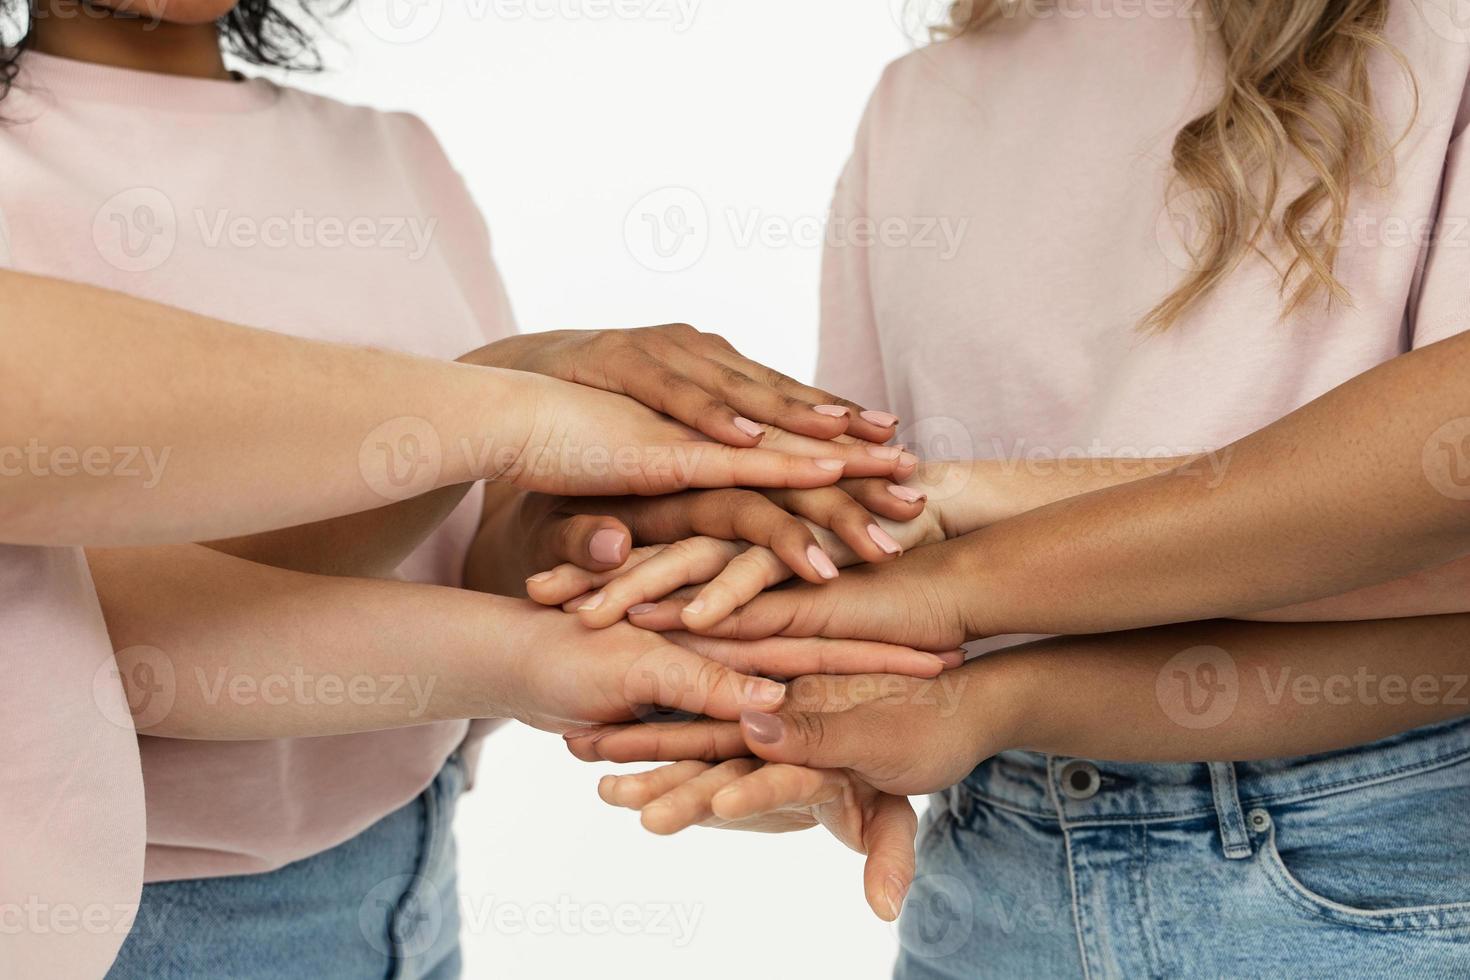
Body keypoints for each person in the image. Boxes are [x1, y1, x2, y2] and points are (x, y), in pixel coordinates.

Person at [0, 2, 935, 976]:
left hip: (414, 876)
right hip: (138, 925)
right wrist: (510, 399)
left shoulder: (394, 154)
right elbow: (86, 625)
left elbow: (473, 538)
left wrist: (622, 574)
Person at [550, 1, 1470, 975]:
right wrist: (802, 707)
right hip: (989, 866)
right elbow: (877, 561)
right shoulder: (923, 99)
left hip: (1374, 857)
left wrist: (958, 565)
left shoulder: (1436, 35)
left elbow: (1436, 537)